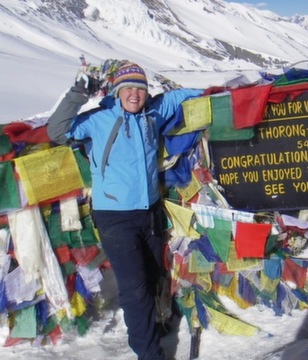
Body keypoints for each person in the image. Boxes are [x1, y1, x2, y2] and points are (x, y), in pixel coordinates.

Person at [47, 62, 203, 360]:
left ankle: (155, 326)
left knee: (155, 273)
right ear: (117, 92)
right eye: (128, 88)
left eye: (140, 89)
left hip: (150, 213)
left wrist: (222, 93)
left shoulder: (152, 114)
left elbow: (182, 97)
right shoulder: (99, 120)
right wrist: (78, 92)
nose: (134, 94)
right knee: (135, 290)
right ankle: (149, 354)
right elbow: (56, 130)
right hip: (115, 218)